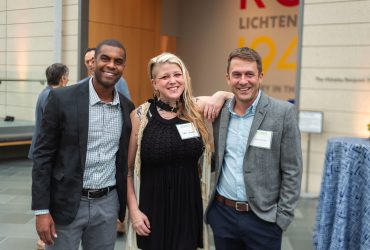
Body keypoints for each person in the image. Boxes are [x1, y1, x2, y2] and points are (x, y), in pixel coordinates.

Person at [31, 39, 135, 250]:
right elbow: (43, 156)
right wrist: (41, 210)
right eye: (105, 58)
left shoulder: (127, 108)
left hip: (107, 205)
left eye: (118, 61)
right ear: (93, 62)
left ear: (123, 67)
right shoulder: (61, 99)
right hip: (67, 202)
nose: (111, 65)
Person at [126, 52, 232, 250]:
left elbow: (236, 97)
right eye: (165, 77)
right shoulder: (140, 116)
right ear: (154, 83)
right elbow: (128, 169)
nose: (173, 81)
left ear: (185, 77)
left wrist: (220, 95)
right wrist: (133, 211)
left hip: (188, 208)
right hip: (151, 211)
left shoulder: (195, 108)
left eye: (177, 74)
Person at [205, 47, 303, 250]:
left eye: (249, 74)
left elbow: (292, 170)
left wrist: (282, 218)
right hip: (223, 215)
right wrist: (217, 95)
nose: (243, 81)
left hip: (264, 220)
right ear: (228, 78)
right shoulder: (220, 110)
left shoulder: (283, 112)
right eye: (236, 75)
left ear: (260, 76)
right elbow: (183, 103)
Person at [28, 63, 69, 160]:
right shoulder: (51, 96)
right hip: (44, 152)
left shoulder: (46, 92)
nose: (68, 80)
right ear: (63, 78)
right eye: (67, 77)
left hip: (42, 149)